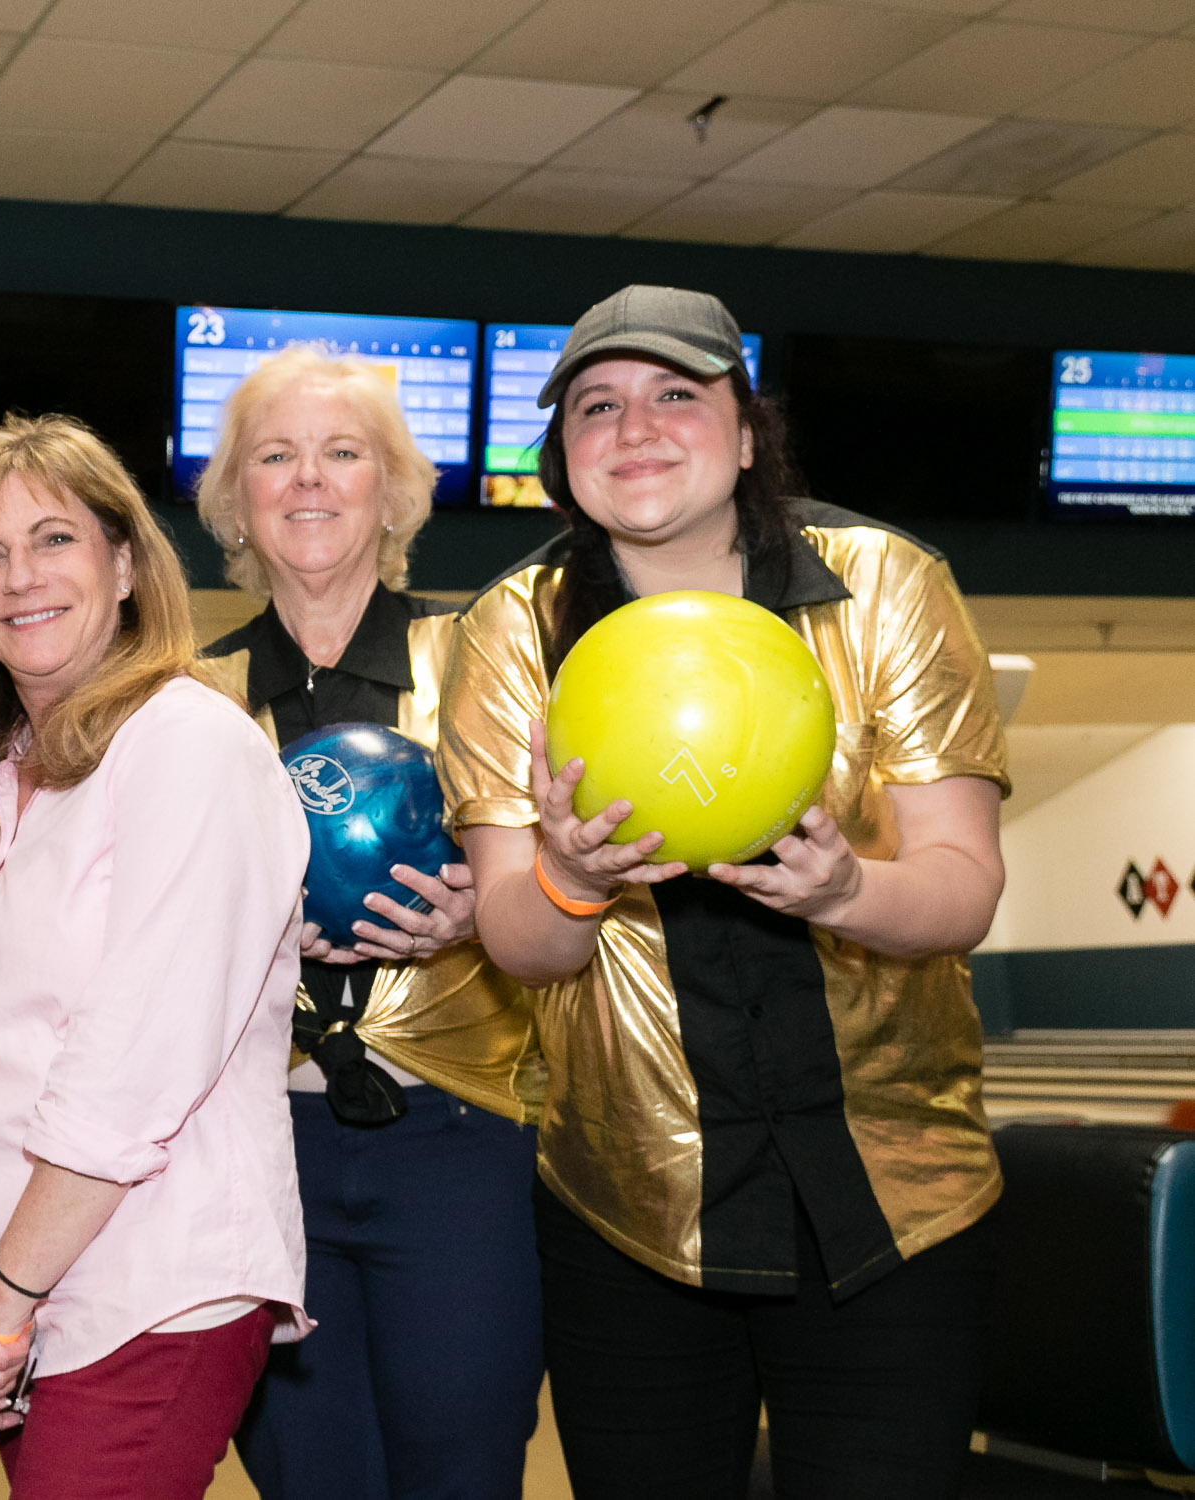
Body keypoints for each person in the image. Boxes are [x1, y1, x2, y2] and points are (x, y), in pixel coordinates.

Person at [440, 285, 1010, 1500]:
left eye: (675, 396)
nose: (634, 427)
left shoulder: (885, 584)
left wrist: (847, 889)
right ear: (564, 458)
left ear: (747, 433)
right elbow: (517, 941)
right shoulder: (509, 632)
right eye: (597, 406)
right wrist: (572, 877)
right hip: (632, 1213)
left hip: (894, 1203)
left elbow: (963, 888)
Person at [0, 414, 311, 1500]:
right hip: (9, 1301)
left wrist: (7, 1297)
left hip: (144, 1295)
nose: (19, 576)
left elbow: (132, 1071)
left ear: (125, 563)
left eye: (55, 539)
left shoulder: (191, 747)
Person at [197, 348, 544, 1500]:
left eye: (343, 453)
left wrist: (486, 913)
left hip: (457, 1144)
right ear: (235, 496)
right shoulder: (185, 697)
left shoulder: (487, 663)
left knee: (463, 1471)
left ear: (392, 491)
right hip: (257, 1147)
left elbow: (575, 888)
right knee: (311, 1478)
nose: (309, 480)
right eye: (275, 456)